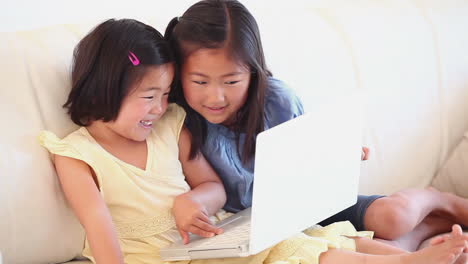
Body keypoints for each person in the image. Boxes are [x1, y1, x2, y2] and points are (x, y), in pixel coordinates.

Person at [164, 0, 468, 262]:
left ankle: (438, 201)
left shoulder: (277, 100)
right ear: (179, 75)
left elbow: (307, 158)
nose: (216, 97)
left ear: (253, 71)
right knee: (378, 250)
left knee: (394, 218)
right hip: (262, 230)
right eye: (200, 82)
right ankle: (430, 230)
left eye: (231, 81)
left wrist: (337, 157)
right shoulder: (180, 123)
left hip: (307, 208)